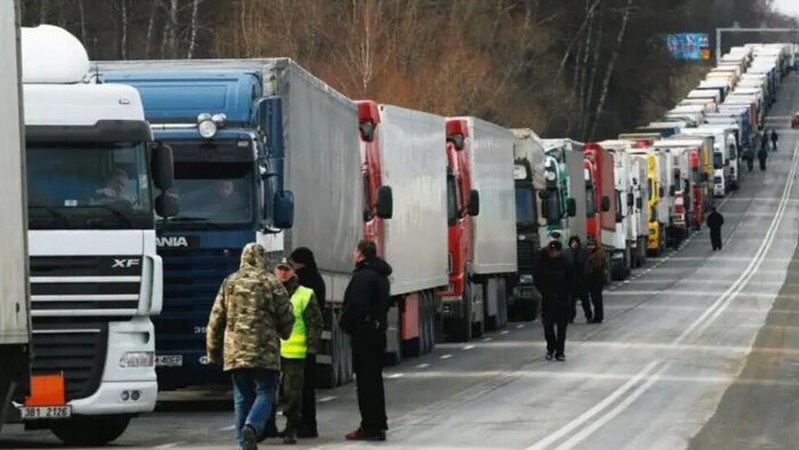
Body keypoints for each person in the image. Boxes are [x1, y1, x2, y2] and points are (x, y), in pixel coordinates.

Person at [206, 242, 295, 450]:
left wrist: (213, 351)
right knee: (265, 392)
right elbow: (287, 315)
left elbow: (216, 319)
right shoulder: (271, 283)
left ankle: (242, 444)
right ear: (263, 259)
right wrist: (285, 333)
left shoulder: (229, 283)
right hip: (264, 352)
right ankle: (252, 426)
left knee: (241, 396)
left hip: (235, 352)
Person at [265, 257, 323, 444]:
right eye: (279, 269)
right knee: (268, 391)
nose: (283, 272)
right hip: (270, 352)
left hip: (295, 354)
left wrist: (311, 348)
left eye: (286, 269)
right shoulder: (266, 293)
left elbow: (315, 323)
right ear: (274, 272)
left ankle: (291, 427)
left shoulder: (305, 294)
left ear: (293, 272)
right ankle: (268, 426)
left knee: (293, 393)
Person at [339, 239, 392, 441]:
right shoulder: (381, 276)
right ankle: (378, 424)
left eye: (355, 250)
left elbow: (355, 306)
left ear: (360, 253)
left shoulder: (363, 277)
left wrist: (347, 325)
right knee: (375, 382)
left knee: (366, 384)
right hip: (377, 333)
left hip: (365, 335)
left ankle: (370, 426)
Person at [289, 247, 326, 438]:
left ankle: (304, 425)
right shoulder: (317, 280)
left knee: (299, 388)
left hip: (298, 343)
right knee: (307, 387)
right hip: (309, 342)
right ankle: (308, 424)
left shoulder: (302, 283)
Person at [534, 240, 573, 361]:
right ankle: (551, 347)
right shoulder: (543, 261)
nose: (553, 253)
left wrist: (568, 296)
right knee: (548, 327)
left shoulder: (565, 262)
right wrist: (544, 292)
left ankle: (560, 352)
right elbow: (537, 278)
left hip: (562, 300)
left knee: (562, 329)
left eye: (555, 251)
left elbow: (571, 279)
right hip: (548, 299)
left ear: (559, 251)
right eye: (551, 251)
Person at [565, 235, 591, 323]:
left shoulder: (583, 252)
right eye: (573, 242)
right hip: (570, 281)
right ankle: (570, 317)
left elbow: (587, 265)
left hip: (582, 280)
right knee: (570, 302)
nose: (574, 244)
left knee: (585, 301)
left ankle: (588, 316)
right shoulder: (567, 253)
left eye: (576, 242)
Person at [585, 238, 608, 324]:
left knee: (597, 299)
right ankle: (597, 316)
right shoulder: (593, 252)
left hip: (596, 278)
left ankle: (598, 317)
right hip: (593, 279)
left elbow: (597, 265)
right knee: (595, 299)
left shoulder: (599, 253)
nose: (590, 247)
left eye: (592, 245)